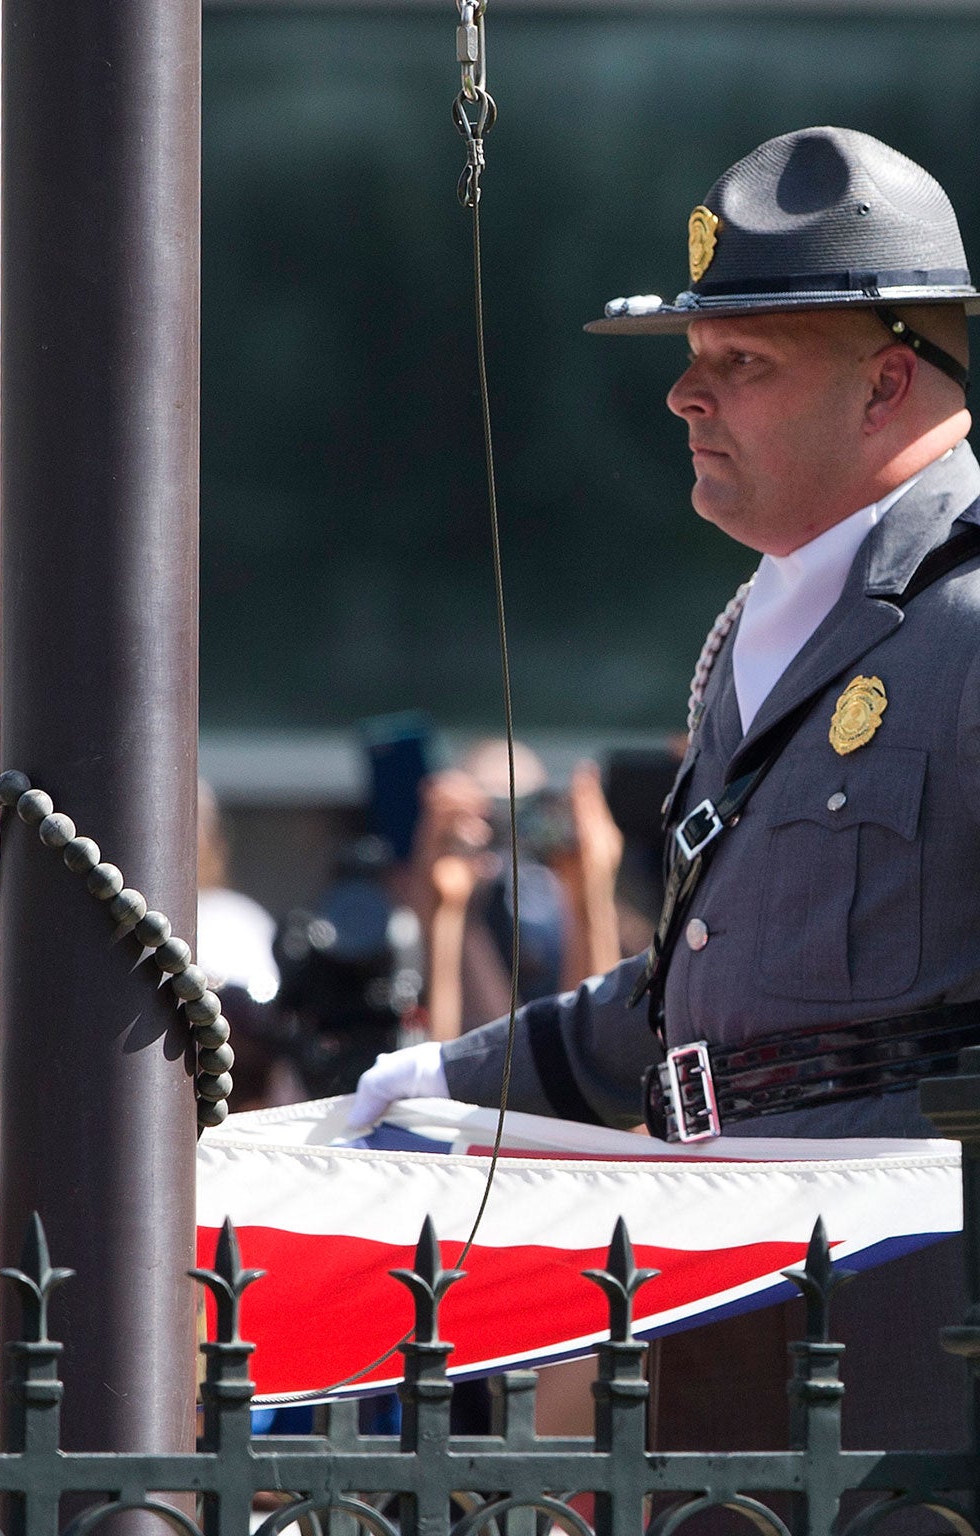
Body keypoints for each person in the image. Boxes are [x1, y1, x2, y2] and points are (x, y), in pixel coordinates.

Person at [349, 125, 980, 1456]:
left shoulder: (968, 626)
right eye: (692, 361)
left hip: (918, 1357)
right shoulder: (761, 633)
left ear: (885, 386)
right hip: (736, 1320)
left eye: (739, 363)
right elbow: (713, 1001)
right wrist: (444, 1075)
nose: (687, 398)